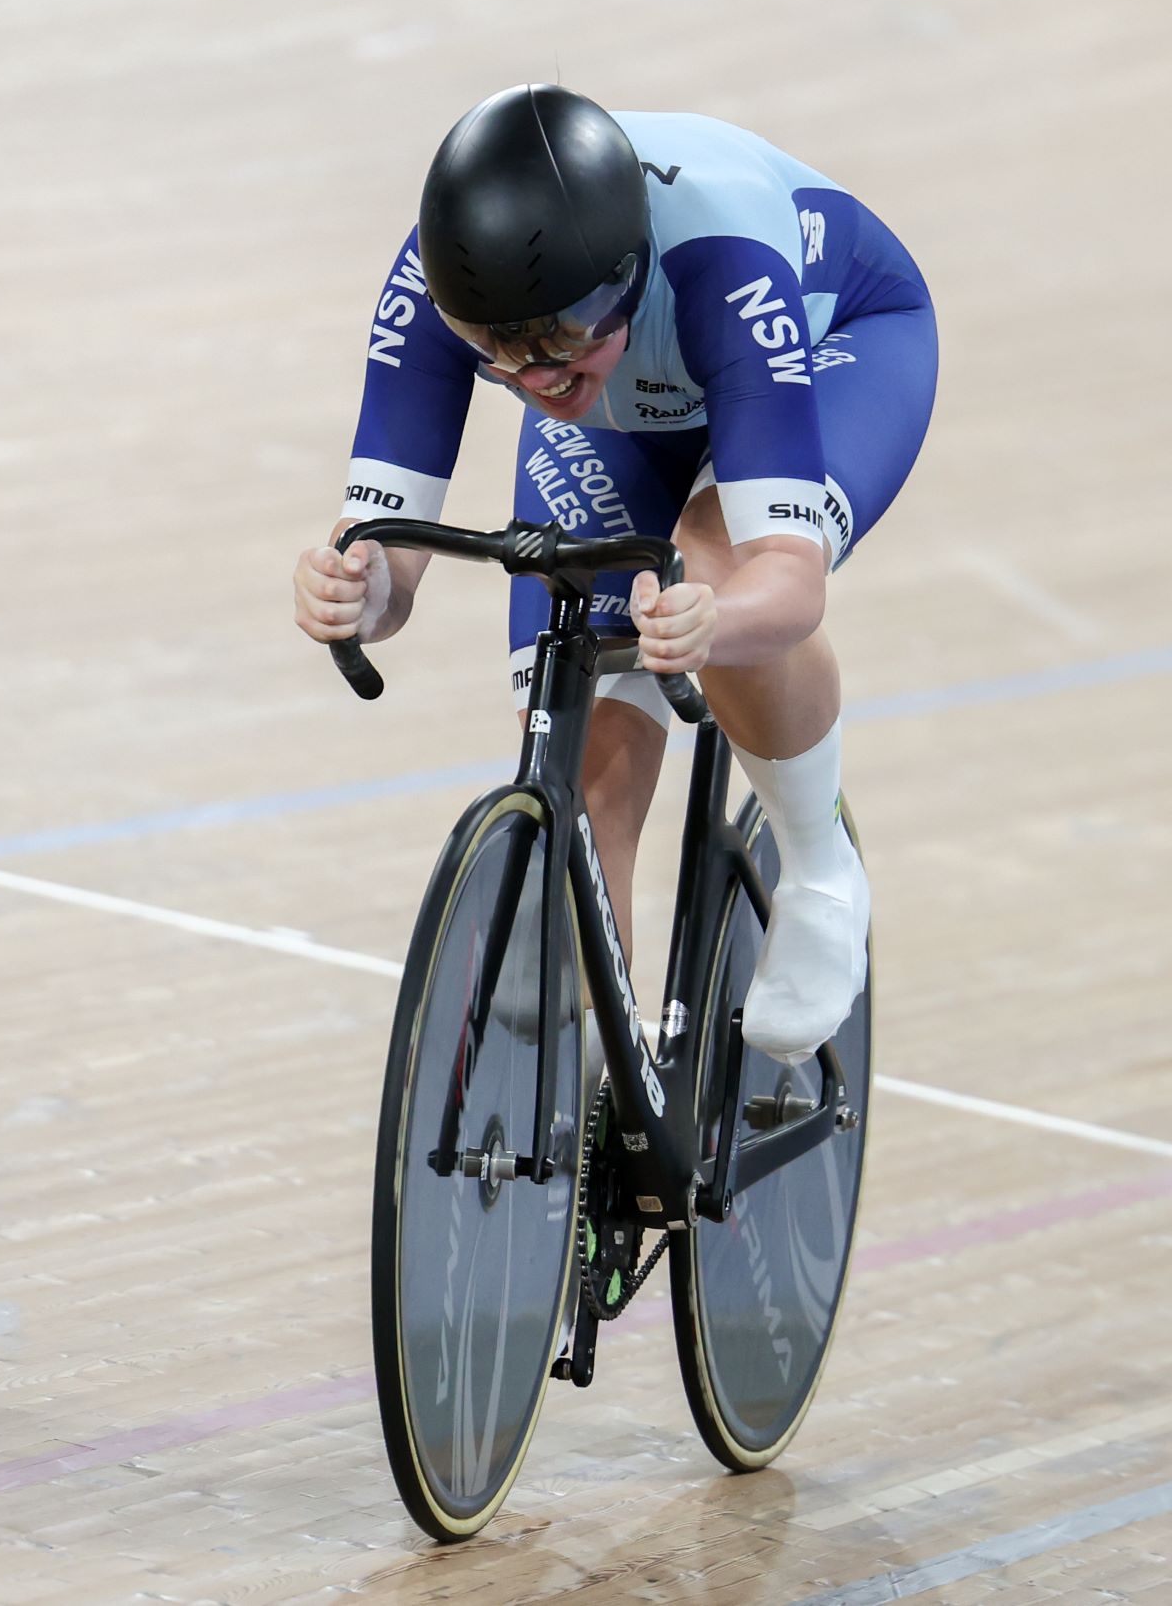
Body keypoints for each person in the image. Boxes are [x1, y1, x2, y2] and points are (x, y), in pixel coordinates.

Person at [292, 84, 935, 1065]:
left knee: (711, 568)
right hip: (633, 419)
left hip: (835, 342)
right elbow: (385, 538)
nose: (536, 376)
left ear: (626, 276)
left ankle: (817, 864)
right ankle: (600, 1105)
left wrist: (711, 623)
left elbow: (788, 581)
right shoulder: (439, 289)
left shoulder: (722, 266)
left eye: (561, 336)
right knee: (585, 767)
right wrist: (363, 589)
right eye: (497, 352)